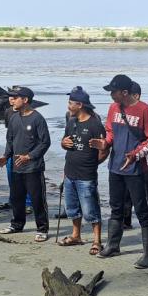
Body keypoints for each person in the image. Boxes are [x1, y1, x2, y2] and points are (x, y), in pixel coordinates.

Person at [90, 74, 148, 267]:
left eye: (114, 91)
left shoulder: (144, 110)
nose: (111, 95)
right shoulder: (113, 108)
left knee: (142, 210)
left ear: (125, 92)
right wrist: (104, 142)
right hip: (115, 166)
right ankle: (113, 245)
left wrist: (135, 155)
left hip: (136, 168)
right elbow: (110, 132)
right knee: (116, 207)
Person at [0, 86, 51, 241]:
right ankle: (17, 224)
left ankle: (42, 228)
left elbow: (45, 142)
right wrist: (5, 156)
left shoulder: (37, 118)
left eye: (16, 97)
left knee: (37, 198)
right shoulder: (13, 117)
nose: (12, 99)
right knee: (16, 197)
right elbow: (10, 140)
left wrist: (30, 156)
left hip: (33, 167)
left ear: (25, 100)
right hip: (16, 166)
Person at [59, 86, 107, 253]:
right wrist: (63, 144)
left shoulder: (95, 124)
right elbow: (65, 142)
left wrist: (93, 164)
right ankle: (76, 235)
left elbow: (104, 149)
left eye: (70, 103)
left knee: (90, 208)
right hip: (69, 171)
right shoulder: (71, 121)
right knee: (72, 207)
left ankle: (97, 240)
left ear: (80, 104)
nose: (68, 106)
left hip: (86, 174)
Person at [122, 82, 148, 233]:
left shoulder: (145, 111)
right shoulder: (121, 111)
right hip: (127, 158)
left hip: (146, 160)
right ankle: (125, 220)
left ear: (135, 95)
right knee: (127, 190)